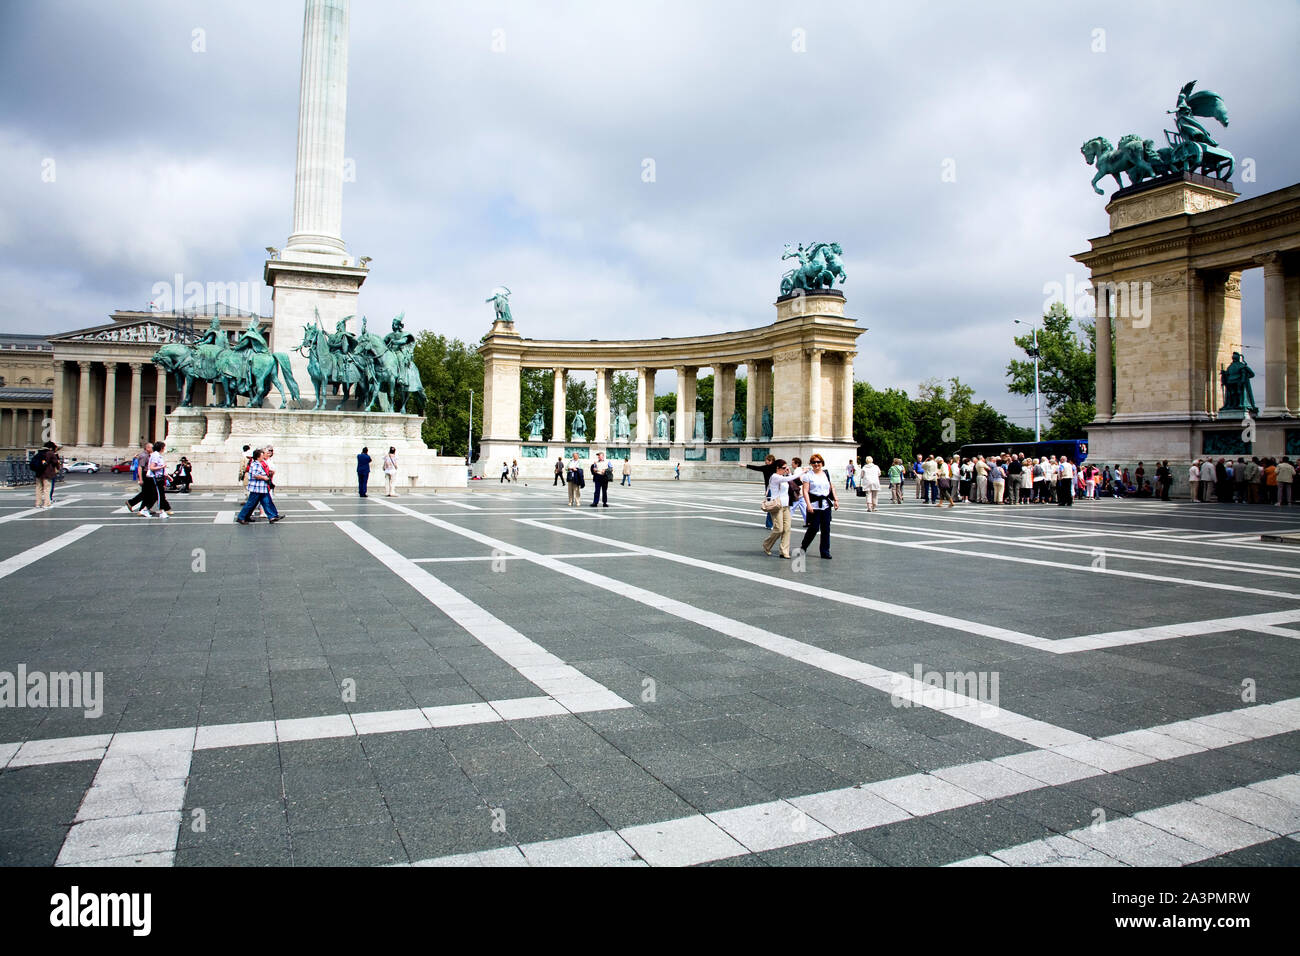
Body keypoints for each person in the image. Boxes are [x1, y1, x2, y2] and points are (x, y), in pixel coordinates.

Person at [796, 455, 838, 559]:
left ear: (822, 463)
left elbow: (831, 487)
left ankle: (825, 551)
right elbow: (805, 491)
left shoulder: (826, 474)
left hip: (826, 505)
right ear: (811, 464)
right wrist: (808, 505)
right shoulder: (808, 475)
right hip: (814, 505)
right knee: (813, 528)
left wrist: (836, 500)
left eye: (818, 462)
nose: (816, 464)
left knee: (826, 529)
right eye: (813, 462)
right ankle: (803, 547)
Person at [236, 449, 282, 524]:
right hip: (257, 488)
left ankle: (272, 516)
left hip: (262, 487)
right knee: (251, 503)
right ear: (258, 457)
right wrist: (264, 477)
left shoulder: (260, 463)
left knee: (267, 502)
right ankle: (241, 517)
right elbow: (255, 475)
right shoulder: (255, 464)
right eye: (262, 455)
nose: (263, 456)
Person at [762, 460, 794, 558]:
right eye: (784, 468)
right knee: (779, 529)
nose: (786, 469)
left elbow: (792, 481)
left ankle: (784, 551)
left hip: (786, 505)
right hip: (777, 506)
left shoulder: (784, 477)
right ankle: (767, 544)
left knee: (787, 529)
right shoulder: (775, 476)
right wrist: (802, 472)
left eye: (786, 467)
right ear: (777, 468)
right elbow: (790, 478)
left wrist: (789, 473)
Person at [144, 440, 173, 518]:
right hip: (155, 478)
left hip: (159, 477)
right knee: (160, 495)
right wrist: (162, 467)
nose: (164, 449)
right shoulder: (155, 455)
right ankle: (161, 511)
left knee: (155, 495)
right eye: (163, 447)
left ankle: (146, 509)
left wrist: (167, 476)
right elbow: (152, 467)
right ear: (161, 448)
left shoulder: (158, 455)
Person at [125, 442, 153, 512]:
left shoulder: (147, 455)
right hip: (144, 474)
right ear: (147, 448)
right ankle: (134, 504)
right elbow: (140, 468)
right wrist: (140, 479)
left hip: (147, 474)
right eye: (151, 447)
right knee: (146, 492)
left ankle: (142, 507)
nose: (153, 449)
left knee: (147, 492)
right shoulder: (144, 456)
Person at [31, 441, 59, 508]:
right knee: (47, 489)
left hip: (39, 473)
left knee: (38, 488)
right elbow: (56, 462)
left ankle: (38, 503)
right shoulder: (50, 453)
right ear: (51, 448)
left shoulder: (39, 453)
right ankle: (46, 504)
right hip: (47, 474)